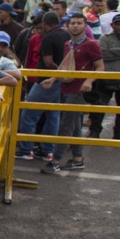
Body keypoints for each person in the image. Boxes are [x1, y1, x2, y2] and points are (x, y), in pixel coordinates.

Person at [42, 13, 103, 174]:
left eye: (79, 23)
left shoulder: (91, 45)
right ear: (68, 26)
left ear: (85, 26)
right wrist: (54, 79)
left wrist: (89, 81)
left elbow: (100, 67)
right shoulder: (67, 44)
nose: (75, 26)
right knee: (75, 126)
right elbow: (65, 66)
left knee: (66, 126)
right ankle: (78, 159)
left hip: (79, 91)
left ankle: (55, 161)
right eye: (73, 23)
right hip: (66, 88)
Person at [15, 12, 70, 161]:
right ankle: (48, 151)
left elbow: (47, 62)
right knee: (53, 117)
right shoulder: (66, 35)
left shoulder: (48, 38)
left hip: (45, 81)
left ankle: (26, 150)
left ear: (45, 24)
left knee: (28, 115)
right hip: (61, 81)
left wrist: (54, 72)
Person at [90, 16, 120, 139]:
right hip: (105, 78)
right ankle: (94, 132)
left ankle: (118, 135)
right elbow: (101, 54)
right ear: (112, 25)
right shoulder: (104, 38)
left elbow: (107, 53)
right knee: (99, 107)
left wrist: (112, 50)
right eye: (117, 24)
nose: (119, 27)